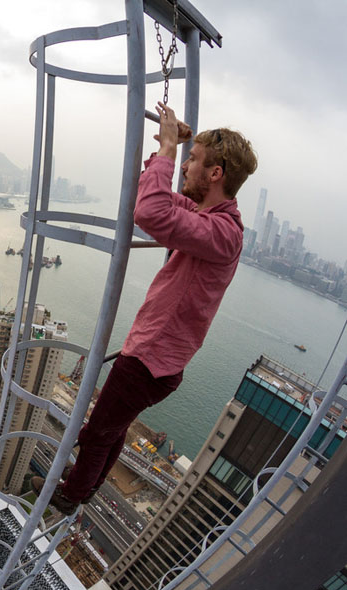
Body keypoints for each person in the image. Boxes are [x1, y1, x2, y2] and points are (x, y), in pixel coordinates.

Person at [33, 102, 258, 515]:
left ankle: (72, 494)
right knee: (113, 429)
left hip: (151, 358)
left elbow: (150, 212)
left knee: (99, 429)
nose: (185, 166)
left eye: (194, 161)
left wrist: (171, 149)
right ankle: (87, 485)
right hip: (156, 357)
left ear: (216, 174)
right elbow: (152, 194)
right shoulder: (208, 218)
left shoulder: (223, 233)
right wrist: (163, 153)